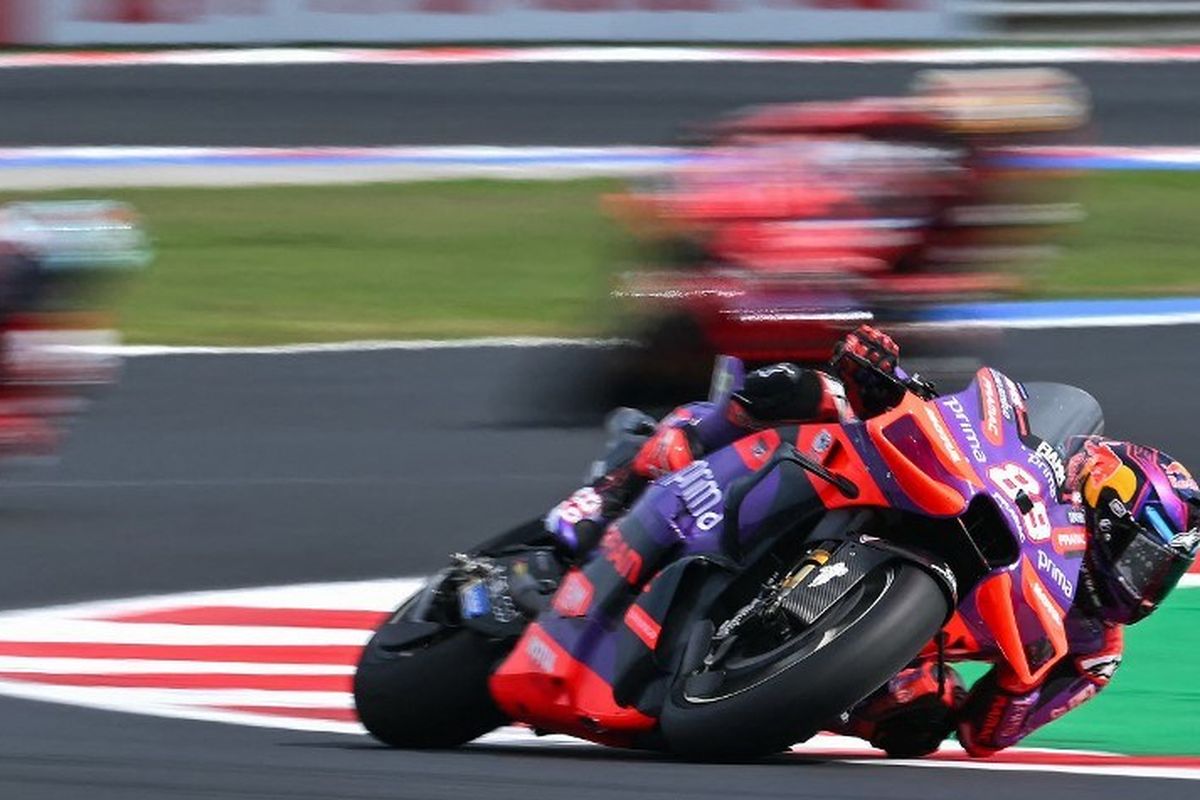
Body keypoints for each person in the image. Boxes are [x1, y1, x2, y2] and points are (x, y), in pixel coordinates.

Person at [544, 325, 1200, 758]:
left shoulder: (1092, 652)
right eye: (1145, 560)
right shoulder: (1043, 479)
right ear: (1105, 508)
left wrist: (1016, 689)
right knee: (811, 392)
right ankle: (622, 481)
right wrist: (887, 380)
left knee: (915, 719)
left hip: (899, 645)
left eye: (1161, 574)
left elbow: (985, 736)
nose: (1146, 585)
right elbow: (971, 430)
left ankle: (760, 676)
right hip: (904, 496)